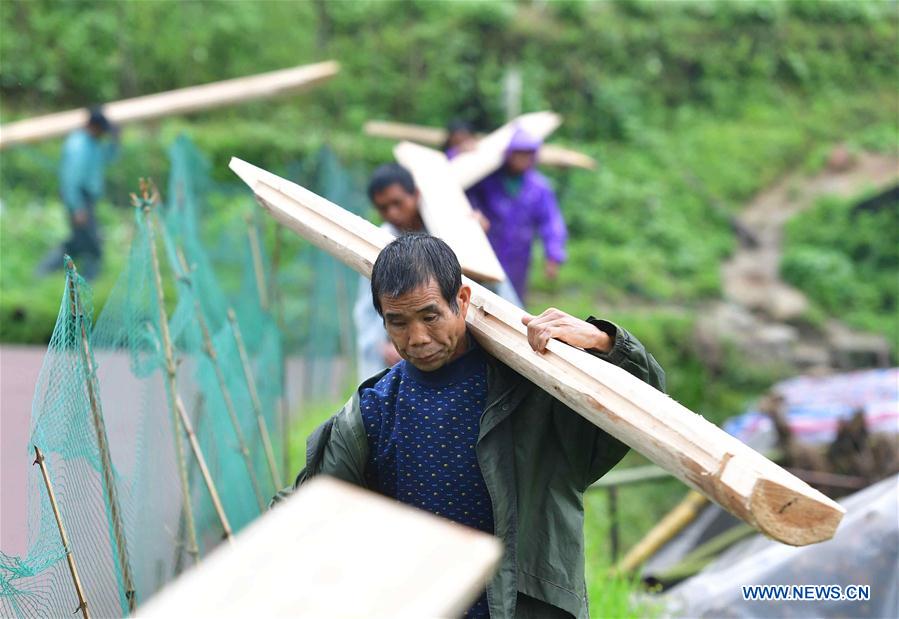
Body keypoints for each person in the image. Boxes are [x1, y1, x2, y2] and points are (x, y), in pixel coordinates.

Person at [277, 234, 666, 618]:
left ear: (461, 301)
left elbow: (648, 413)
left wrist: (604, 341)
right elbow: (309, 509)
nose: (417, 338)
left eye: (430, 316)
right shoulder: (374, 411)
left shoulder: (531, 388)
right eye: (397, 322)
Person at [353, 164, 521, 381]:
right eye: (383, 208)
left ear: (415, 194)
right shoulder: (380, 242)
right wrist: (382, 344)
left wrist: (474, 237)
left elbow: (490, 281)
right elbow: (369, 309)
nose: (392, 213)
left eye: (397, 203)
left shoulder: (448, 227)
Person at [468, 126, 567, 303]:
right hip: (488, 250)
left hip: (519, 256)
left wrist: (553, 254)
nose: (523, 158)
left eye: (528, 154)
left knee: (513, 301)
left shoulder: (540, 188)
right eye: (519, 153)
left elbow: (551, 222)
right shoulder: (487, 181)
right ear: (509, 154)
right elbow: (468, 201)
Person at [39, 107, 118, 280]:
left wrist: (115, 141)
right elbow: (70, 180)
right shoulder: (79, 146)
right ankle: (88, 282)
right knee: (92, 243)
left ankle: (44, 272)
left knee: (79, 242)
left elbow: (109, 158)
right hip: (79, 198)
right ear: (94, 126)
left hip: (87, 198)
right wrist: (77, 208)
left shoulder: (93, 143)